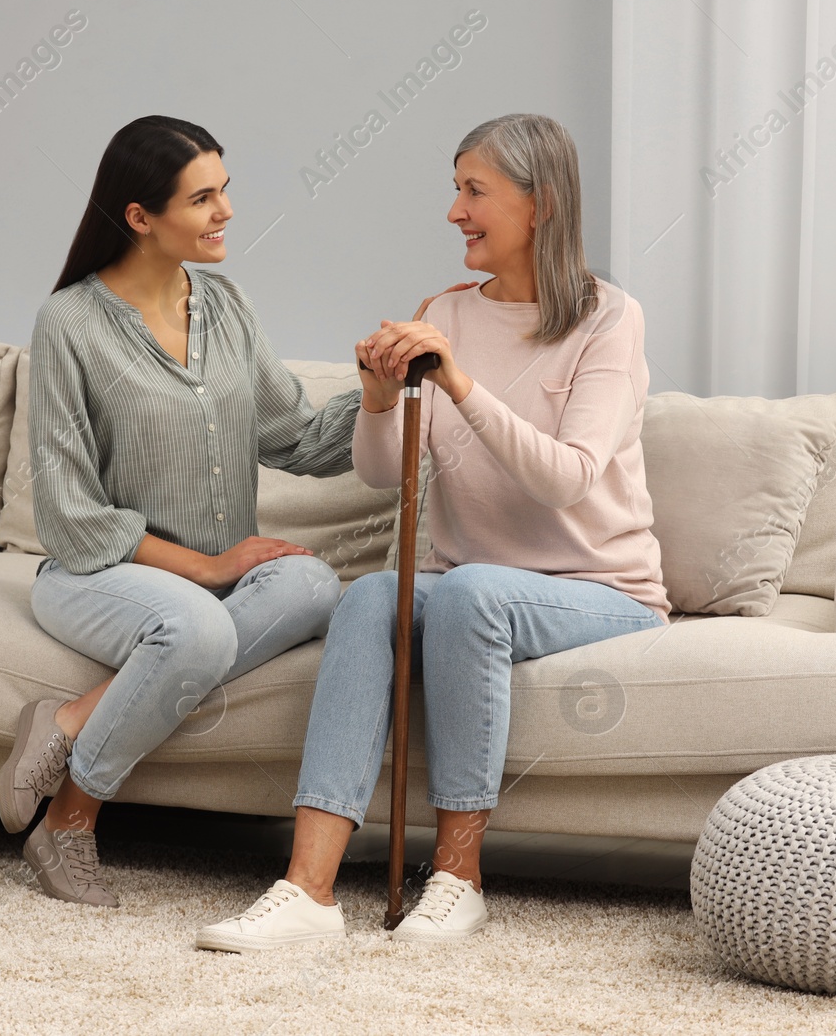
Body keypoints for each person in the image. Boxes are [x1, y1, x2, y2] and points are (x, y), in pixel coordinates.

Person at [197, 113, 671, 950]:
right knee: (373, 592)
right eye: (455, 188)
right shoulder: (444, 309)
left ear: (542, 202)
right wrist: (380, 396)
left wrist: (458, 380)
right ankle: (308, 889)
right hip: (469, 586)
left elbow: (566, 477)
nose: (454, 210)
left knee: (471, 593)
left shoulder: (608, 318)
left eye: (474, 190)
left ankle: (457, 878)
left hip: (600, 590)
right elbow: (387, 472)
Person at [0, 115, 358, 908]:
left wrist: (386, 383)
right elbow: (67, 513)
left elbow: (297, 437)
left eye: (225, 189)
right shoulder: (69, 324)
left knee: (315, 585)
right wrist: (204, 567)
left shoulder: (225, 306)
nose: (226, 210)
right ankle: (69, 822)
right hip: (101, 572)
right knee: (197, 626)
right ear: (139, 217)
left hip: (214, 584)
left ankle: (68, 719)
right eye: (202, 198)